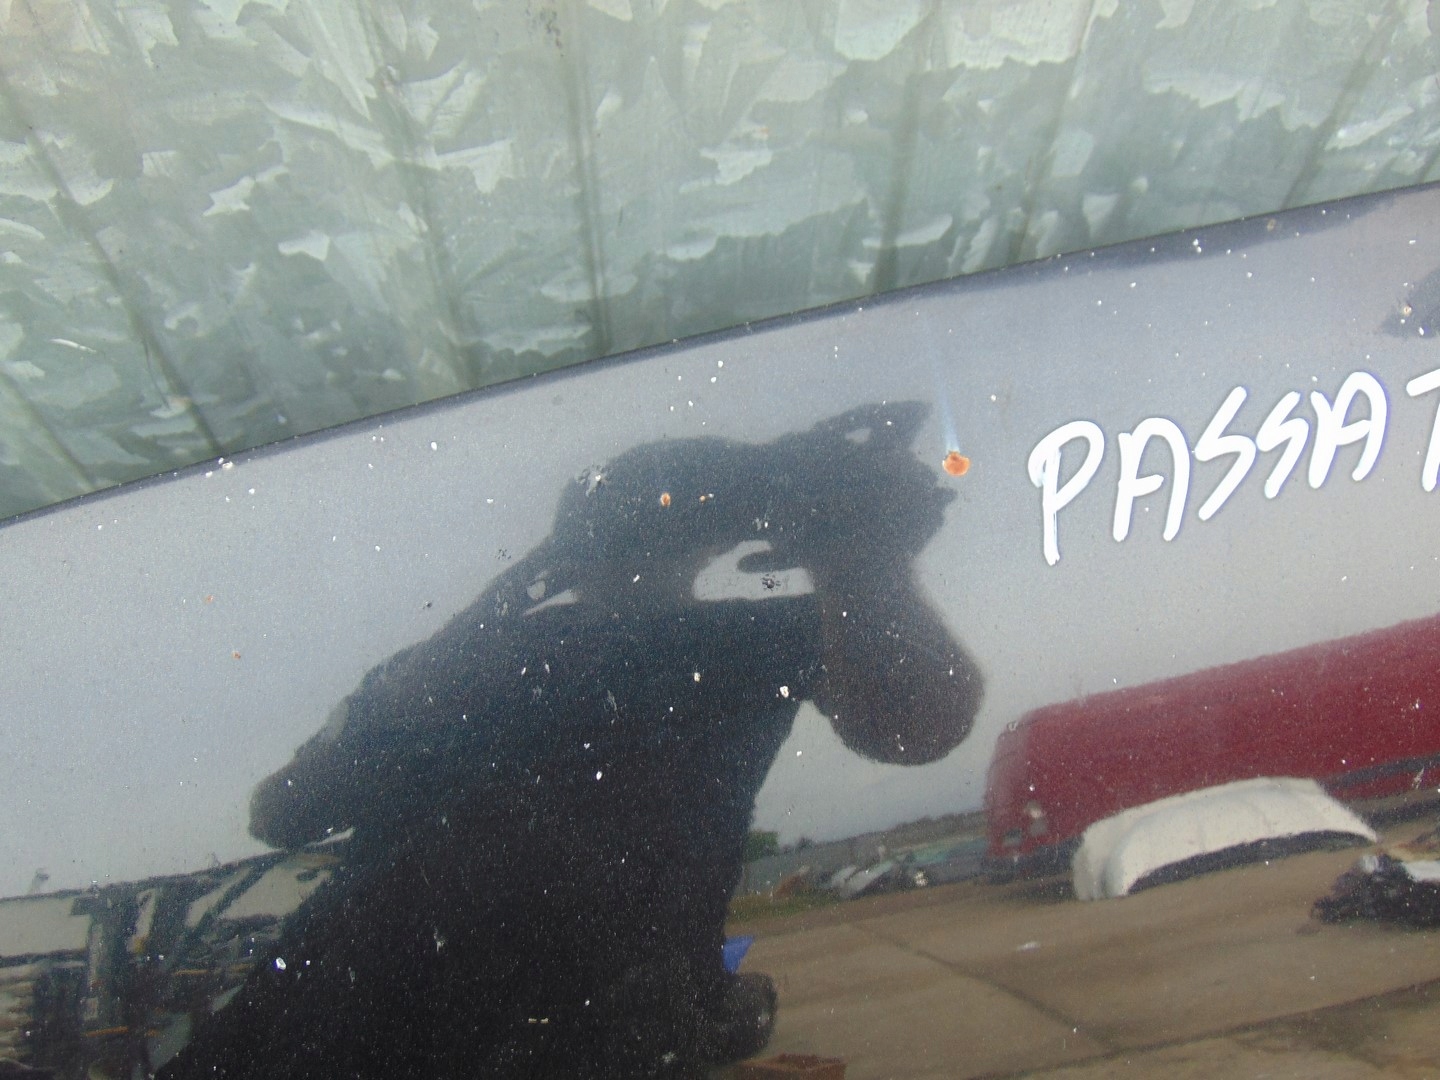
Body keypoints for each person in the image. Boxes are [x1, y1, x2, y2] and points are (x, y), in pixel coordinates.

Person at [160, 401, 984, 1079]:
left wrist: (858, 555)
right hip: (388, 1023)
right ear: (720, 538)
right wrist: (859, 554)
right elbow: (915, 724)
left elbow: (283, 813)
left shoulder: (473, 663)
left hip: (341, 1017)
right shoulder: (730, 649)